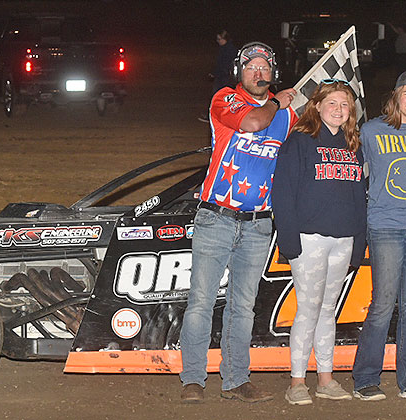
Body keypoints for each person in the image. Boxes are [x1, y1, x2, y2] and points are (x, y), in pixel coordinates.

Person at [179, 41, 298, 404]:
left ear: (274, 72)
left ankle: (235, 380)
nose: (258, 73)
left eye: (264, 67)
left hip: (259, 223)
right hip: (216, 218)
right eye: (251, 67)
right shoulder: (225, 99)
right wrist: (279, 102)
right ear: (239, 72)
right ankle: (193, 380)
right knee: (201, 301)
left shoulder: (291, 115)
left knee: (242, 306)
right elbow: (253, 122)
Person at [271, 79, 366, 405]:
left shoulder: (352, 146)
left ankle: (326, 378)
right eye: (333, 103)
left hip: (342, 241)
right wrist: (289, 241)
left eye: (345, 105)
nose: (339, 110)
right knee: (308, 310)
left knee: (329, 311)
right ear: (318, 106)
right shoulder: (299, 142)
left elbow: (359, 198)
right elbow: (282, 194)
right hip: (308, 240)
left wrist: (359, 241)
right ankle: (297, 381)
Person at [352, 70, 406, 401]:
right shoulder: (372, 130)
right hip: (384, 224)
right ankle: (365, 378)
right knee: (383, 303)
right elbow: (355, 171)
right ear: (396, 96)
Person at [199, 30, 238, 123]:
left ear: (226, 39)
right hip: (221, 76)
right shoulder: (224, 48)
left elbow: (224, 65)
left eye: (220, 39)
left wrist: (216, 73)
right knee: (219, 98)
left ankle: (214, 116)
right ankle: (214, 116)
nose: (218, 41)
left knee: (219, 98)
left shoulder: (229, 49)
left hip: (225, 78)